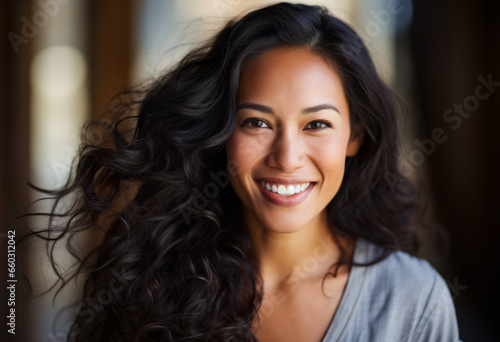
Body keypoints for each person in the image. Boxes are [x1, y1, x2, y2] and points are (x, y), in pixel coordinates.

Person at [21, 2, 461, 341]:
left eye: (317, 125)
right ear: (222, 130)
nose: (287, 157)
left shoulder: (413, 300)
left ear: (355, 137)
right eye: (258, 123)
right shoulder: (155, 280)